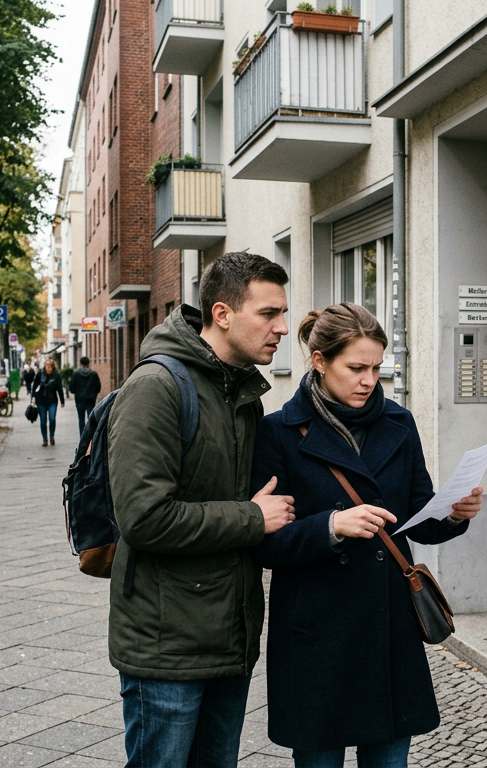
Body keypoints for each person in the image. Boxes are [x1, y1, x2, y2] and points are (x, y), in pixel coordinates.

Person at [252, 303, 484, 768]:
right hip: (315, 635)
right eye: (355, 368)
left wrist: (456, 514)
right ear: (319, 361)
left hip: (387, 628)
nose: (368, 380)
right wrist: (330, 526)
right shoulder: (278, 431)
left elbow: (417, 518)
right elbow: (264, 543)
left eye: (377, 367)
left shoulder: (399, 423)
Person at [107, 253, 296, 768]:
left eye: (283, 313)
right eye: (268, 313)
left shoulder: (241, 395)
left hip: (228, 636)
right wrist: (252, 519)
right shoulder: (157, 388)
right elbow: (143, 517)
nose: (282, 327)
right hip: (165, 643)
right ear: (222, 313)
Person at [32, 358, 65, 446]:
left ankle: (52, 436)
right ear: (44, 366)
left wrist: (62, 401)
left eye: (50, 366)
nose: (48, 368)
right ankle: (44, 438)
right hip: (41, 401)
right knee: (43, 420)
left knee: (52, 419)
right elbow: (34, 386)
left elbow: (60, 389)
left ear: (53, 367)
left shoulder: (56, 376)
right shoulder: (40, 374)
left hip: (52, 401)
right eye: (47, 366)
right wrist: (33, 397)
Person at [68, 356, 102, 434]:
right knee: (91, 418)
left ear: (80, 363)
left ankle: (82, 438)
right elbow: (98, 387)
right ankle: (91, 437)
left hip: (79, 399)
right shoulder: (93, 374)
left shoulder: (76, 374)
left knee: (81, 419)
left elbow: (71, 388)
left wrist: (76, 392)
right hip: (91, 399)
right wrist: (94, 394)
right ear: (88, 363)